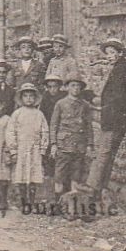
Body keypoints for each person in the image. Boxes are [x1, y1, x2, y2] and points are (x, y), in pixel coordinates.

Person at [91, 37, 126, 201]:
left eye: (112, 53)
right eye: (107, 53)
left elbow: (119, 98)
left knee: (103, 154)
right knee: (106, 155)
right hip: (112, 118)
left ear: (120, 53)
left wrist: (105, 108)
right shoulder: (118, 69)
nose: (109, 56)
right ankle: (100, 190)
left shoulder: (122, 70)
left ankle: (93, 189)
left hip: (114, 119)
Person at [50, 73, 94, 211]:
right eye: (73, 85)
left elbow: (88, 126)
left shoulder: (85, 105)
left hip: (79, 145)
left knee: (76, 175)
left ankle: (72, 206)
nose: (75, 88)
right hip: (63, 145)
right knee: (59, 176)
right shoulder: (61, 104)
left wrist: (90, 145)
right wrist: (53, 144)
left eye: (78, 86)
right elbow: (54, 125)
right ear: (67, 87)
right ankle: (57, 205)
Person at [4, 82, 50, 212]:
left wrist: (42, 149)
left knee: (34, 175)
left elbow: (45, 131)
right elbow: (10, 132)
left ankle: (32, 201)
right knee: (21, 175)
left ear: (35, 98)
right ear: (21, 98)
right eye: (26, 96)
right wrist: (13, 149)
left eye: (31, 96)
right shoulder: (17, 113)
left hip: (34, 149)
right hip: (21, 149)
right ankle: (24, 202)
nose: (29, 98)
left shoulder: (39, 114)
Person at [39, 74, 65, 187]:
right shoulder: (45, 97)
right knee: (48, 152)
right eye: (50, 87)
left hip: (62, 128)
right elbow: (43, 114)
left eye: (55, 86)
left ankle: (60, 179)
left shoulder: (64, 96)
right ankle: (49, 176)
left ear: (59, 86)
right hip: (49, 127)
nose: (52, 89)